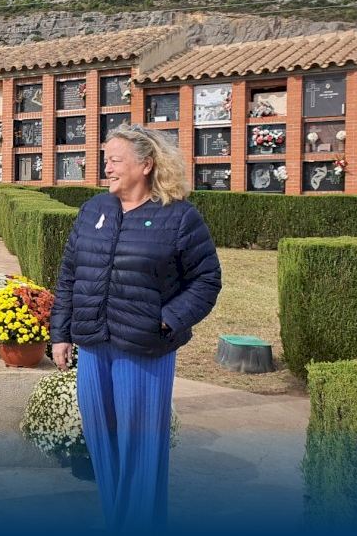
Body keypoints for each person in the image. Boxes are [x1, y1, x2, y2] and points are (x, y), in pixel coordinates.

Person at [50, 124, 222, 532]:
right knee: (102, 443)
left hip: (145, 349)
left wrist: (167, 319)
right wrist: (61, 334)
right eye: (105, 160)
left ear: (145, 165)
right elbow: (70, 275)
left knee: (140, 449)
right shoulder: (94, 210)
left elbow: (206, 280)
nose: (106, 168)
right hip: (94, 345)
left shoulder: (178, 216)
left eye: (114, 160)